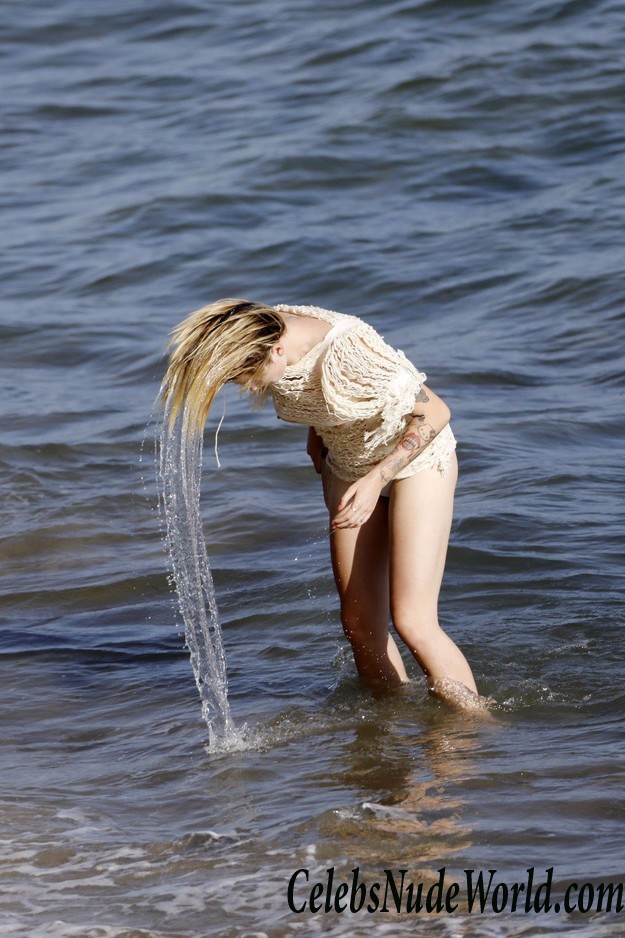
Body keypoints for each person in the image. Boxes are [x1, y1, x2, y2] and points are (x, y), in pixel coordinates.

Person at [161, 298, 488, 710]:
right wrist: (317, 431)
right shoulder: (264, 331)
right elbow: (317, 389)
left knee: (412, 621)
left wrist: (376, 479)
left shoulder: (351, 355)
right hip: (349, 464)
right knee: (358, 625)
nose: (249, 387)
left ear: (276, 350)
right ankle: (389, 726)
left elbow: (435, 413)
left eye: (249, 377)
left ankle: (472, 730)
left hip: (416, 465)